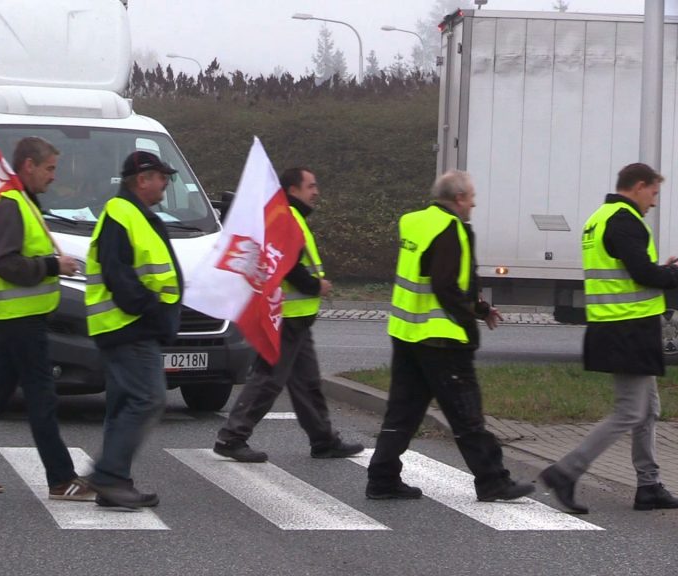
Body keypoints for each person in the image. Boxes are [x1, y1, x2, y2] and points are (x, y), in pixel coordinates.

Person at [366, 170, 533, 502]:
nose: (474, 203)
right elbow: (446, 285)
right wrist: (470, 316)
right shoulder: (451, 229)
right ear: (458, 199)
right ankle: (493, 481)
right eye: (471, 197)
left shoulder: (414, 221)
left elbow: (428, 277)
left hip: (406, 333)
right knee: (466, 414)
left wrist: (481, 308)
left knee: (403, 411)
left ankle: (382, 479)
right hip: (442, 340)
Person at [0, 137, 94, 500]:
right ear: (28, 165)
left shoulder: (22, 202)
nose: (53, 176)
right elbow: (6, 263)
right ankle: (60, 478)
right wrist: (53, 265)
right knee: (41, 398)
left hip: (19, 316)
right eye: (50, 168)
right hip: (20, 318)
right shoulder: (10, 205)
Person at [540, 163, 678, 514]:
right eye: (654, 193)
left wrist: (665, 270)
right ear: (639, 186)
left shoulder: (601, 217)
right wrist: (672, 273)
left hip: (621, 327)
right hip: (626, 330)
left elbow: (630, 274)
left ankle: (649, 486)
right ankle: (566, 472)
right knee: (630, 412)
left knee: (648, 410)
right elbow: (643, 274)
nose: (654, 202)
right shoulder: (624, 220)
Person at [213, 167, 364, 463]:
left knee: (306, 383)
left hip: (297, 318)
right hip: (287, 316)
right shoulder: (289, 219)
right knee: (268, 379)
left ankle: (323, 440)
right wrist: (314, 285)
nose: (316, 191)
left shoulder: (289, 218)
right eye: (311, 186)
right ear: (293, 190)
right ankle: (232, 437)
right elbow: (289, 266)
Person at [82, 151, 183, 509]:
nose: (165, 183)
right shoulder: (122, 213)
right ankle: (108, 475)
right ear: (142, 179)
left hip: (127, 326)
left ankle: (114, 482)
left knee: (124, 404)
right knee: (149, 399)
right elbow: (118, 275)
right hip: (130, 326)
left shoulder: (132, 214)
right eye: (161, 176)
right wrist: (151, 312)